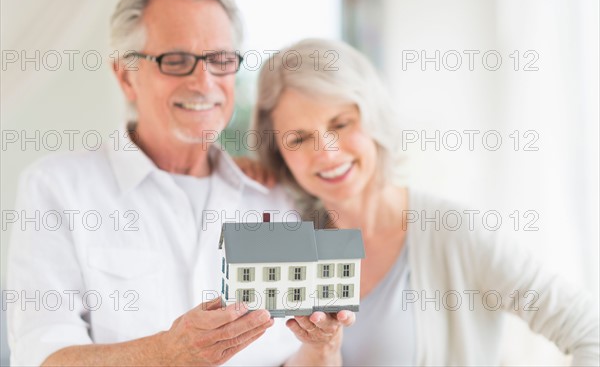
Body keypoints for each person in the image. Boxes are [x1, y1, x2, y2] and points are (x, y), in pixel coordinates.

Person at [6, 0, 353, 366]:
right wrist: (167, 353)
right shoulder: (57, 188)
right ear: (125, 76)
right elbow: (41, 356)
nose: (203, 82)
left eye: (220, 60)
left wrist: (323, 346)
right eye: (175, 60)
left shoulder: (278, 194)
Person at [241, 38, 600, 365]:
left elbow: (590, 330)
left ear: (373, 118)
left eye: (341, 124)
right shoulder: (290, 241)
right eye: (299, 139)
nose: (327, 152)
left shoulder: (455, 232)